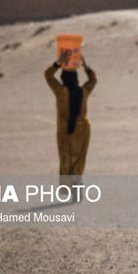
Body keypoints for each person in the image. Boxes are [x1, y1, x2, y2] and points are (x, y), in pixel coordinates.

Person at [45, 50, 97, 187]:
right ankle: (77, 186)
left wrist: (58, 62)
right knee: (80, 158)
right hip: (84, 129)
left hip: (66, 129)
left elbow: (48, 75)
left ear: (64, 80)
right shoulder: (83, 91)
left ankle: (69, 188)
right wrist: (86, 66)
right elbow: (93, 80)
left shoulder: (61, 91)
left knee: (66, 158)